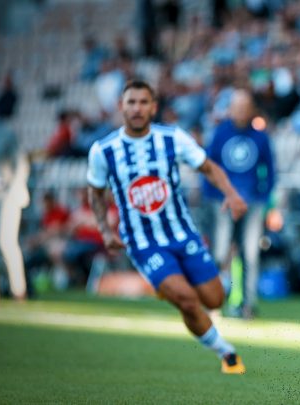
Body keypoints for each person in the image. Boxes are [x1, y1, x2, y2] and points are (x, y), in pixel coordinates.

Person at [87, 80, 248, 374]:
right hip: (143, 242)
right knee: (187, 300)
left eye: (143, 102)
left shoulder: (172, 138)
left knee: (214, 298)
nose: (137, 108)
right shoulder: (103, 150)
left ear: (154, 107)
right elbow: (95, 192)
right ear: (120, 107)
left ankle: (172, 285)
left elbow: (208, 167)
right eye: (131, 102)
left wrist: (232, 194)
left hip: (182, 233)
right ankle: (226, 352)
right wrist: (105, 230)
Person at [201, 89, 275, 319]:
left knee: (250, 255)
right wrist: (213, 196)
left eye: (245, 106)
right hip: (223, 202)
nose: (241, 111)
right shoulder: (221, 133)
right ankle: (213, 303)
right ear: (231, 109)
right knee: (220, 252)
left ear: (251, 109)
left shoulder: (260, 136)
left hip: (251, 203)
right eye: (237, 106)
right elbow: (208, 167)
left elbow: (270, 170)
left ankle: (248, 305)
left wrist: (263, 198)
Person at [0, 103, 29, 304]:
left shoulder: (6, 133)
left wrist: (12, 191)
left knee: (4, 242)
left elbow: (20, 164)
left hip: (5, 195)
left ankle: (18, 289)